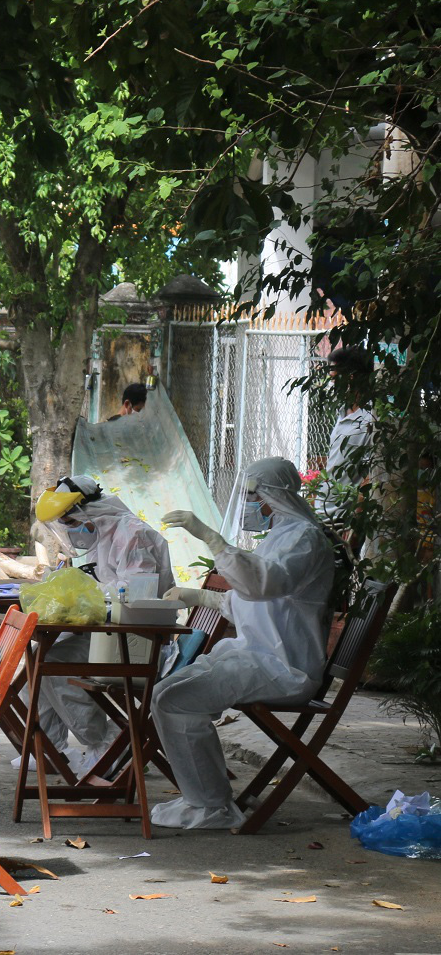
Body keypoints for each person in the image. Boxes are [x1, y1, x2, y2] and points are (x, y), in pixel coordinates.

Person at [155, 456, 335, 830]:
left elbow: (264, 584)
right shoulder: (281, 537)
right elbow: (256, 604)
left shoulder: (305, 538)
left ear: (274, 495)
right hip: (256, 657)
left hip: (286, 668)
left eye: (254, 496)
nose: (250, 505)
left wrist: (212, 539)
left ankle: (212, 806)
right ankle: (200, 800)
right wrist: (201, 598)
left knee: (176, 701)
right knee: (164, 693)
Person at [30, 475, 174, 773]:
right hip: (112, 635)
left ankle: (108, 745)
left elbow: (136, 594)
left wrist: (84, 598)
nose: (69, 532)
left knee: (53, 663)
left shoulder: (133, 535)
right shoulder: (102, 534)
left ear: (87, 511)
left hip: (138, 641)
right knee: (37, 658)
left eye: (69, 522)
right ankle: (51, 748)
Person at [317, 345, 375, 529]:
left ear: (351, 376)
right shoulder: (343, 411)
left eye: (335, 378)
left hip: (344, 521)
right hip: (324, 512)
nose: (332, 384)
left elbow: (371, 476)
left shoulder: (371, 418)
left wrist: (355, 525)